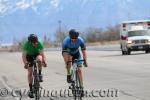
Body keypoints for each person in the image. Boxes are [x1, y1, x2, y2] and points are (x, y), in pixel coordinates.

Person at [22, 34, 47, 98]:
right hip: (29, 56)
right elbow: (24, 56)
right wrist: (25, 63)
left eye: (36, 42)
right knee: (30, 73)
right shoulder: (26, 45)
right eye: (33, 43)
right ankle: (30, 90)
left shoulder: (39, 43)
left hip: (37, 54)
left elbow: (42, 54)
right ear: (30, 42)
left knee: (40, 59)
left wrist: (44, 62)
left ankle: (40, 74)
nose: (35, 44)